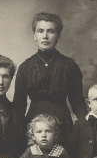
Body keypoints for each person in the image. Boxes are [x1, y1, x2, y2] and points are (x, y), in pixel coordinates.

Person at [13, 12, 87, 148]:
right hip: (33, 121)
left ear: (58, 35)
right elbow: (19, 104)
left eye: (50, 31)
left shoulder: (68, 65)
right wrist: (16, 132)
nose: (45, 36)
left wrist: (88, 126)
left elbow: (77, 101)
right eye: (40, 31)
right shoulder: (25, 67)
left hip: (62, 120)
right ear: (34, 35)